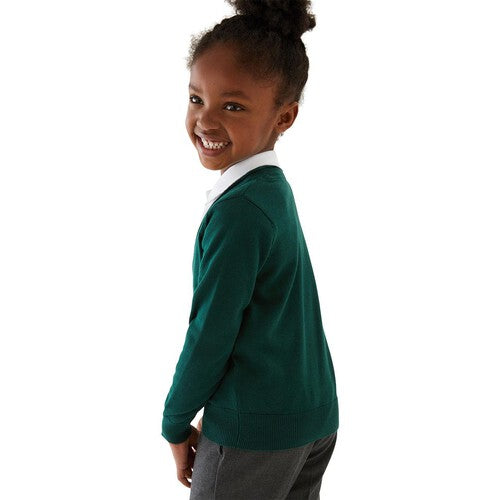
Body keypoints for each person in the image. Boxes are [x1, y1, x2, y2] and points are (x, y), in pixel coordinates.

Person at [161, 1, 339, 498]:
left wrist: (175, 420)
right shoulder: (270, 190)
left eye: (232, 106)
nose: (205, 120)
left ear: (285, 116)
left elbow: (211, 332)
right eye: (196, 98)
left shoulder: (240, 211)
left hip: (255, 433)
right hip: (311, 416)